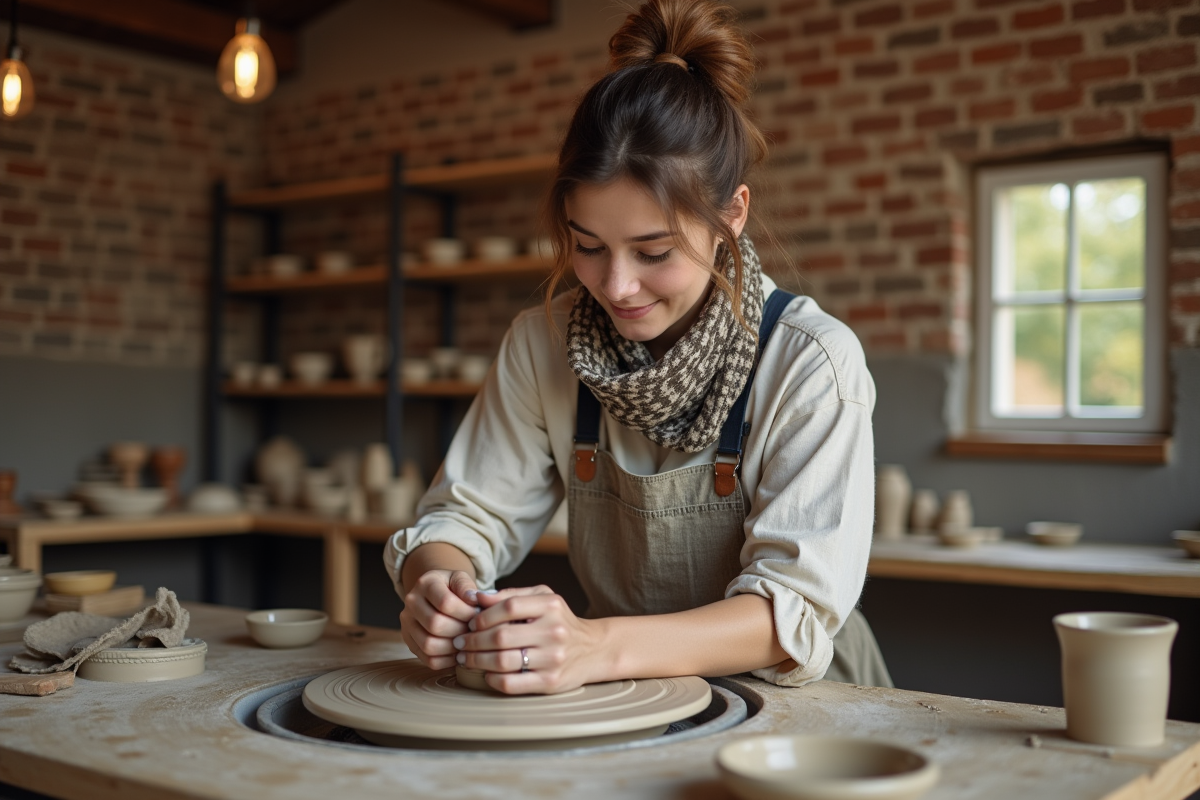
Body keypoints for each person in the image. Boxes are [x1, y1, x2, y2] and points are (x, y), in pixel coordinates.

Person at [384, 0, 891, 695]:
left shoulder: (811, 362)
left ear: (731, 214)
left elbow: (790, 612)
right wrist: (437, 583)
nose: (616, 286)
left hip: (797, 706)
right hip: (624, 694)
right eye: (587, 246)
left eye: (653, 251)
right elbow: (467, 517)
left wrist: (599, 645)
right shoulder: (544, 343)